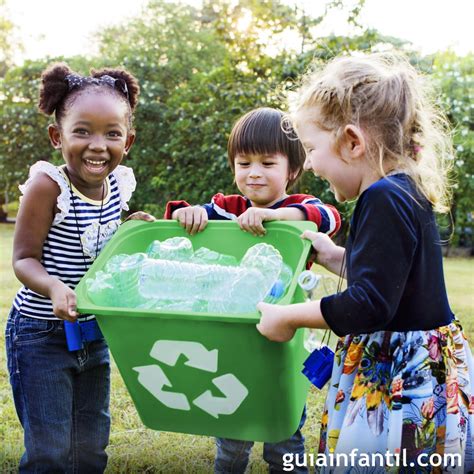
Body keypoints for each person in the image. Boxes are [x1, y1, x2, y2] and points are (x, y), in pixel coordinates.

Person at [257, 53, 474, 472]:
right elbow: (394, 281)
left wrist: (288, 317)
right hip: (425, 362)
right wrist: (334, 256)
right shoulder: (404, 188)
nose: (311, 164)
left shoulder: (381, 197)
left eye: (312, 149)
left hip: (399, 375)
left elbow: (370, 305)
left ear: (352, 142)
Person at [165, 107, 341, 473]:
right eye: (243, 163)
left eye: (267, 163)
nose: (254, 173)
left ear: (291, 170)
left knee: (284, 434)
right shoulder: (229, 209)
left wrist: (273, 216)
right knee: (231, 431)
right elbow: (186, 218)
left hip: (283, 340)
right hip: (232, 336)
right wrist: (189, 214)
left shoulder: (298, 208)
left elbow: (326, 216)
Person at [6, 62, 153, 473]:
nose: (97, 145)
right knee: (50, 450)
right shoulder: (47, 186)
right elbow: (23, 259)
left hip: (94, 333)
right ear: (58, 136)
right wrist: (53, 288)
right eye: (82, 131)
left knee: (91, 444)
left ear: (129, 140)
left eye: (112, 133)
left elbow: (100, 246)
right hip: (41, 336)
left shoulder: (119, 184)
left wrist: (129, 230)